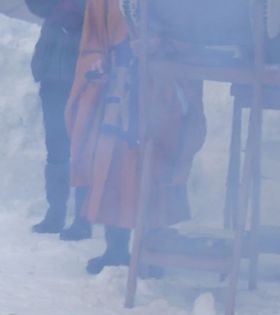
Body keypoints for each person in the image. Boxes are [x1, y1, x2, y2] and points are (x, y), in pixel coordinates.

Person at [65, 0, 205, 274]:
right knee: (114, 167)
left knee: (157, 166)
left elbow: (193, 33)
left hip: (162, 87)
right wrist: (97, 62)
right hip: (117, 87)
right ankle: (115, 250)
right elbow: (93, 40)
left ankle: (152, 253)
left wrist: (160, 46)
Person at [26, 0, 91, 240]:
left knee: (84, 155)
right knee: (56, 154)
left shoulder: (90, 21)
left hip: (84, 92)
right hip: (52, 89)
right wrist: (40, 70)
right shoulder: (53, 19)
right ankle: (55, 213)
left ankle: (83, 219)